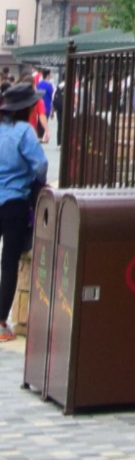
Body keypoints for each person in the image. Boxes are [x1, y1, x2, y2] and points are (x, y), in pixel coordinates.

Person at [0, 82, 49, 341]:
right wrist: (33, 180)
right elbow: (41, 164)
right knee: (9, 263)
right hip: (14, 203)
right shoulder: (24, 132)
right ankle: (0, 323)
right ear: (26, 108)